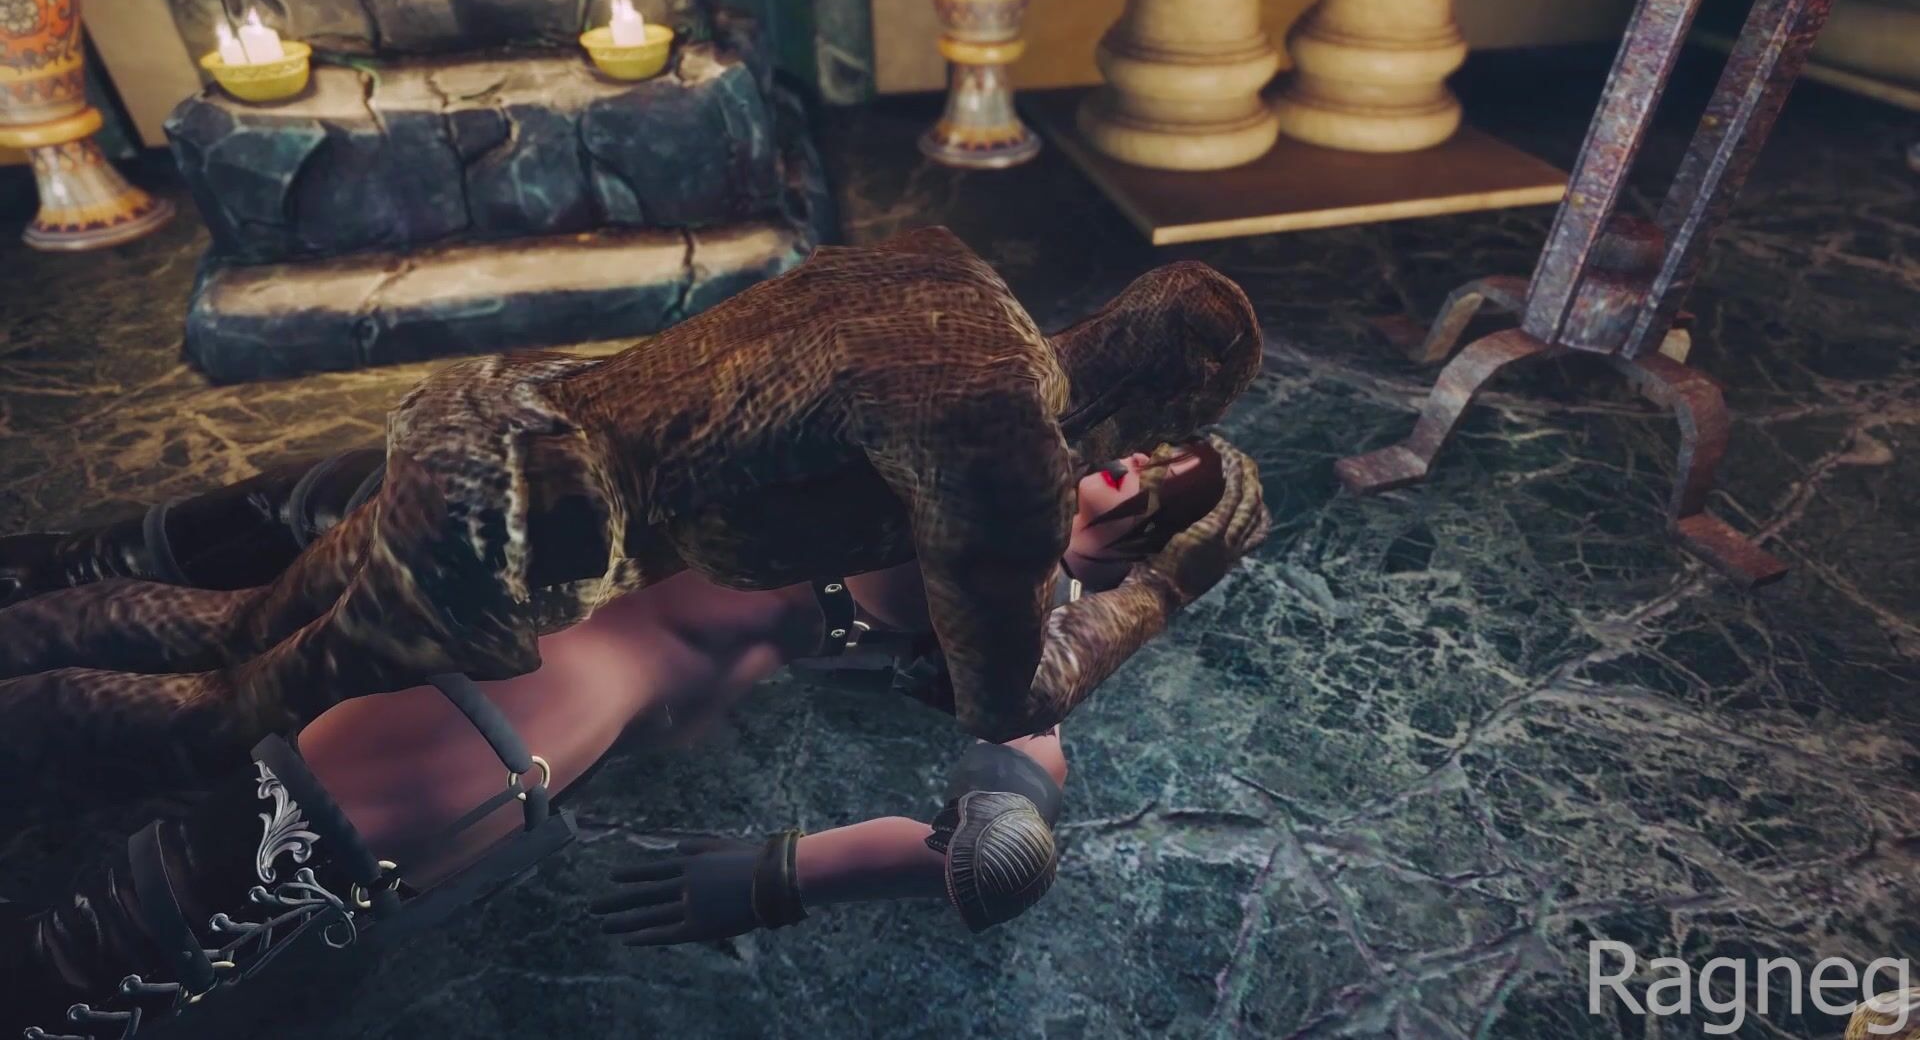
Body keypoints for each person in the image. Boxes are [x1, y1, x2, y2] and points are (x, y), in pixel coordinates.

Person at [1, 436, 1270, 1038]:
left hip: (529, 695)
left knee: (95, 943)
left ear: (1136, 541)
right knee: (120, 612)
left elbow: (1002, 850)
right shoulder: (996, 441)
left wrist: (796, 871)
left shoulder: (1014, 603)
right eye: (1145, 438)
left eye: (1154, 474)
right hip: (491, 555)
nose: (1124, 453)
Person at [0, 225, 1262, 789]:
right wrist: (1169, 582)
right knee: (230, 712)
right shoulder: (998, 447)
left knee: (238, 624)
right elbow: (1002, 698)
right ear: (1167, 403)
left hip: (494, 418)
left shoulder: (947, 267)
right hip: (507, 531)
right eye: (1168, 440)